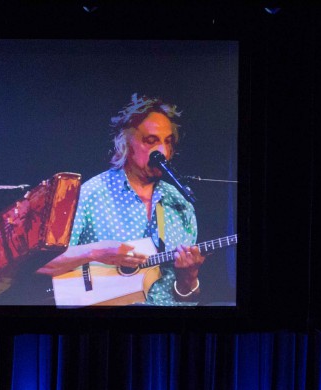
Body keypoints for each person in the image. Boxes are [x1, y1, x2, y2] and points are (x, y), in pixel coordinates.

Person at [39, 94, 204, 305]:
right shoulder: (91, 195)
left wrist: (188, 278)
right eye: (151, 141)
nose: (162, 151)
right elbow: (43, 265)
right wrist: (98, 251)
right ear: (125, 143)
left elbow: (186, 298)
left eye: (168, 142)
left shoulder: (181, 204)